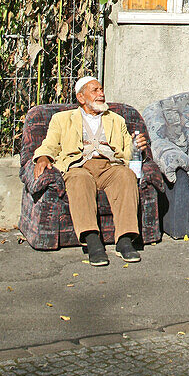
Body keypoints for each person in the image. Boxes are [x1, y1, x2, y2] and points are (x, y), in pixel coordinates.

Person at [33, 76, 147, 266]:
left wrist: (137, 146)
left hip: (109, 166)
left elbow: (128, 150)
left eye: (101, 90)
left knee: (126, 176)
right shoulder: (62, 119)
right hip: (79, 166)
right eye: (94, 90)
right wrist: (43, 157)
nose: (101, 94)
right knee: (78, 179)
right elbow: (50, 144)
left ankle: (125, 240)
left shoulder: (116, 119)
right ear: (81, 97)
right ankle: (93, 241)